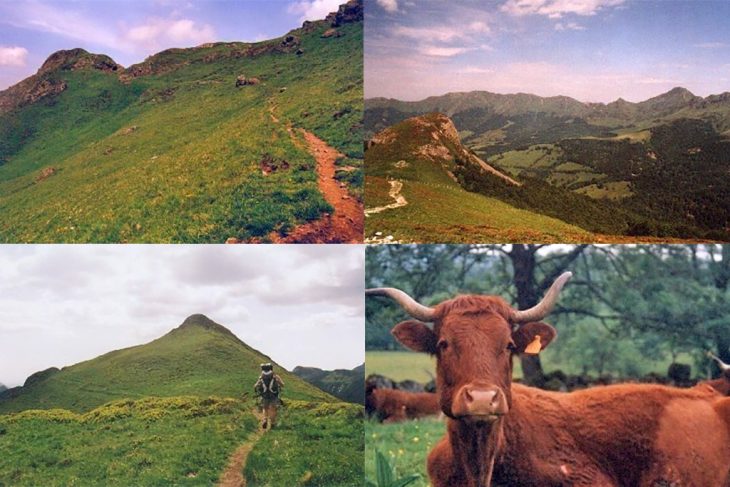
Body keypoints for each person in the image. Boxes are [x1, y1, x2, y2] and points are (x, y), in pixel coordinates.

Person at [253, 363, 284, 429]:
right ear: (271, 369)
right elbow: (282, 385)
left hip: (264, 395)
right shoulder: (275, 376)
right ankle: (272, 423)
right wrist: (278, 382)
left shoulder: (261, 376)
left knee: (265, 408)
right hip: (274, 395)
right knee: (273, 409)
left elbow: (255, 386)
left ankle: (265, 419)